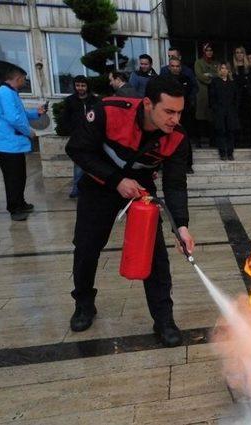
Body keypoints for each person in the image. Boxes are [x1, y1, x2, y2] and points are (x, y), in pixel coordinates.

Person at [65, 76, 194, 346]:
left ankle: (164, 319)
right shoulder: (109, 110)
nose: (175, 119)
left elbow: (175, 184)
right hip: (100, 183)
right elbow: (77, 149)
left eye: (179, 112)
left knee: (155, 255)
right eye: (169, 111)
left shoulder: (178, 137)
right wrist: (115, 181)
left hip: (140, 188)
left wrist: (180, 226)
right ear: (148, 104)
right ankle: (84, 304)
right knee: (87, 247)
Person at [0, 64, 46, 221]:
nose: (25, 82)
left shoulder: (11, 92)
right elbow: (14, 118)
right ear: (17, 78)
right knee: (13, 177)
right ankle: (15, 208)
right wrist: (29, 131)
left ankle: (20, 202)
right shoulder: (4, 92)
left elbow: (21, 113)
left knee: (19, 176)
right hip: (8, 144)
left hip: (14, 145)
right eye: (24, 79)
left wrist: (36, 113)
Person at [59, 75, 99, 198]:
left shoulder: (94, 100)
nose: (80, 88)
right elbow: (65, 118)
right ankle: (76, 189)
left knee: (94, 162)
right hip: (78, 136)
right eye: (78, 85)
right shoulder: (70, 100)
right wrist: (71, 130)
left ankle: (93, 188)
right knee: (79, 163)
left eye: (83, 85)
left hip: (92, 136)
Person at [167, 58, 196, 173]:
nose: (175, 68)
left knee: (185, 139)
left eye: (177, 66)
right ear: (169, 67)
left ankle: (188, 165)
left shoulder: (186, 79)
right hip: (168, 114)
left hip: (185, 114)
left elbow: (191, 95)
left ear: (180, 67)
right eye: (172, 66)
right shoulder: (164, 80)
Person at [209, 63, 240, 161]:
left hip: (230, 111)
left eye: (226, 68)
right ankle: (222, 153)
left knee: (230, 131)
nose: (224, 70)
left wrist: (234, 108)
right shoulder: (215, 82)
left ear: (229, 70)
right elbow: (211, 97)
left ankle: (230, 153)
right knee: (221, 131)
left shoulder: (232, 82)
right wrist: (215, 108)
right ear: (219, 70)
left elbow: (236, 97)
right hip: (219, 110)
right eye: (222, 68)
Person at [194, 43, 219, 148]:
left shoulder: (216, 63)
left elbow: (219, 75)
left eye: (211, 50)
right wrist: (211, 77)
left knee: (212, 118)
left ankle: (212, 141)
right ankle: (199, 141)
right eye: (207, 50)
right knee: (201, 117)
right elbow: (200, 75)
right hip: (202, 93)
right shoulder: (198, 62)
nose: (209, 52)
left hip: (214, 93)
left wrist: (209, 75)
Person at [232, 46, 251, 147]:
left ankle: (247, 141)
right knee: (237, 120)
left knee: (247, 120)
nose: (239, 54)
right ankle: (237, 141)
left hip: (247, 98)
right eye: (237, 52)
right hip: (236, 98)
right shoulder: (232, 68)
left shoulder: (249, 68)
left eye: (241, 52)